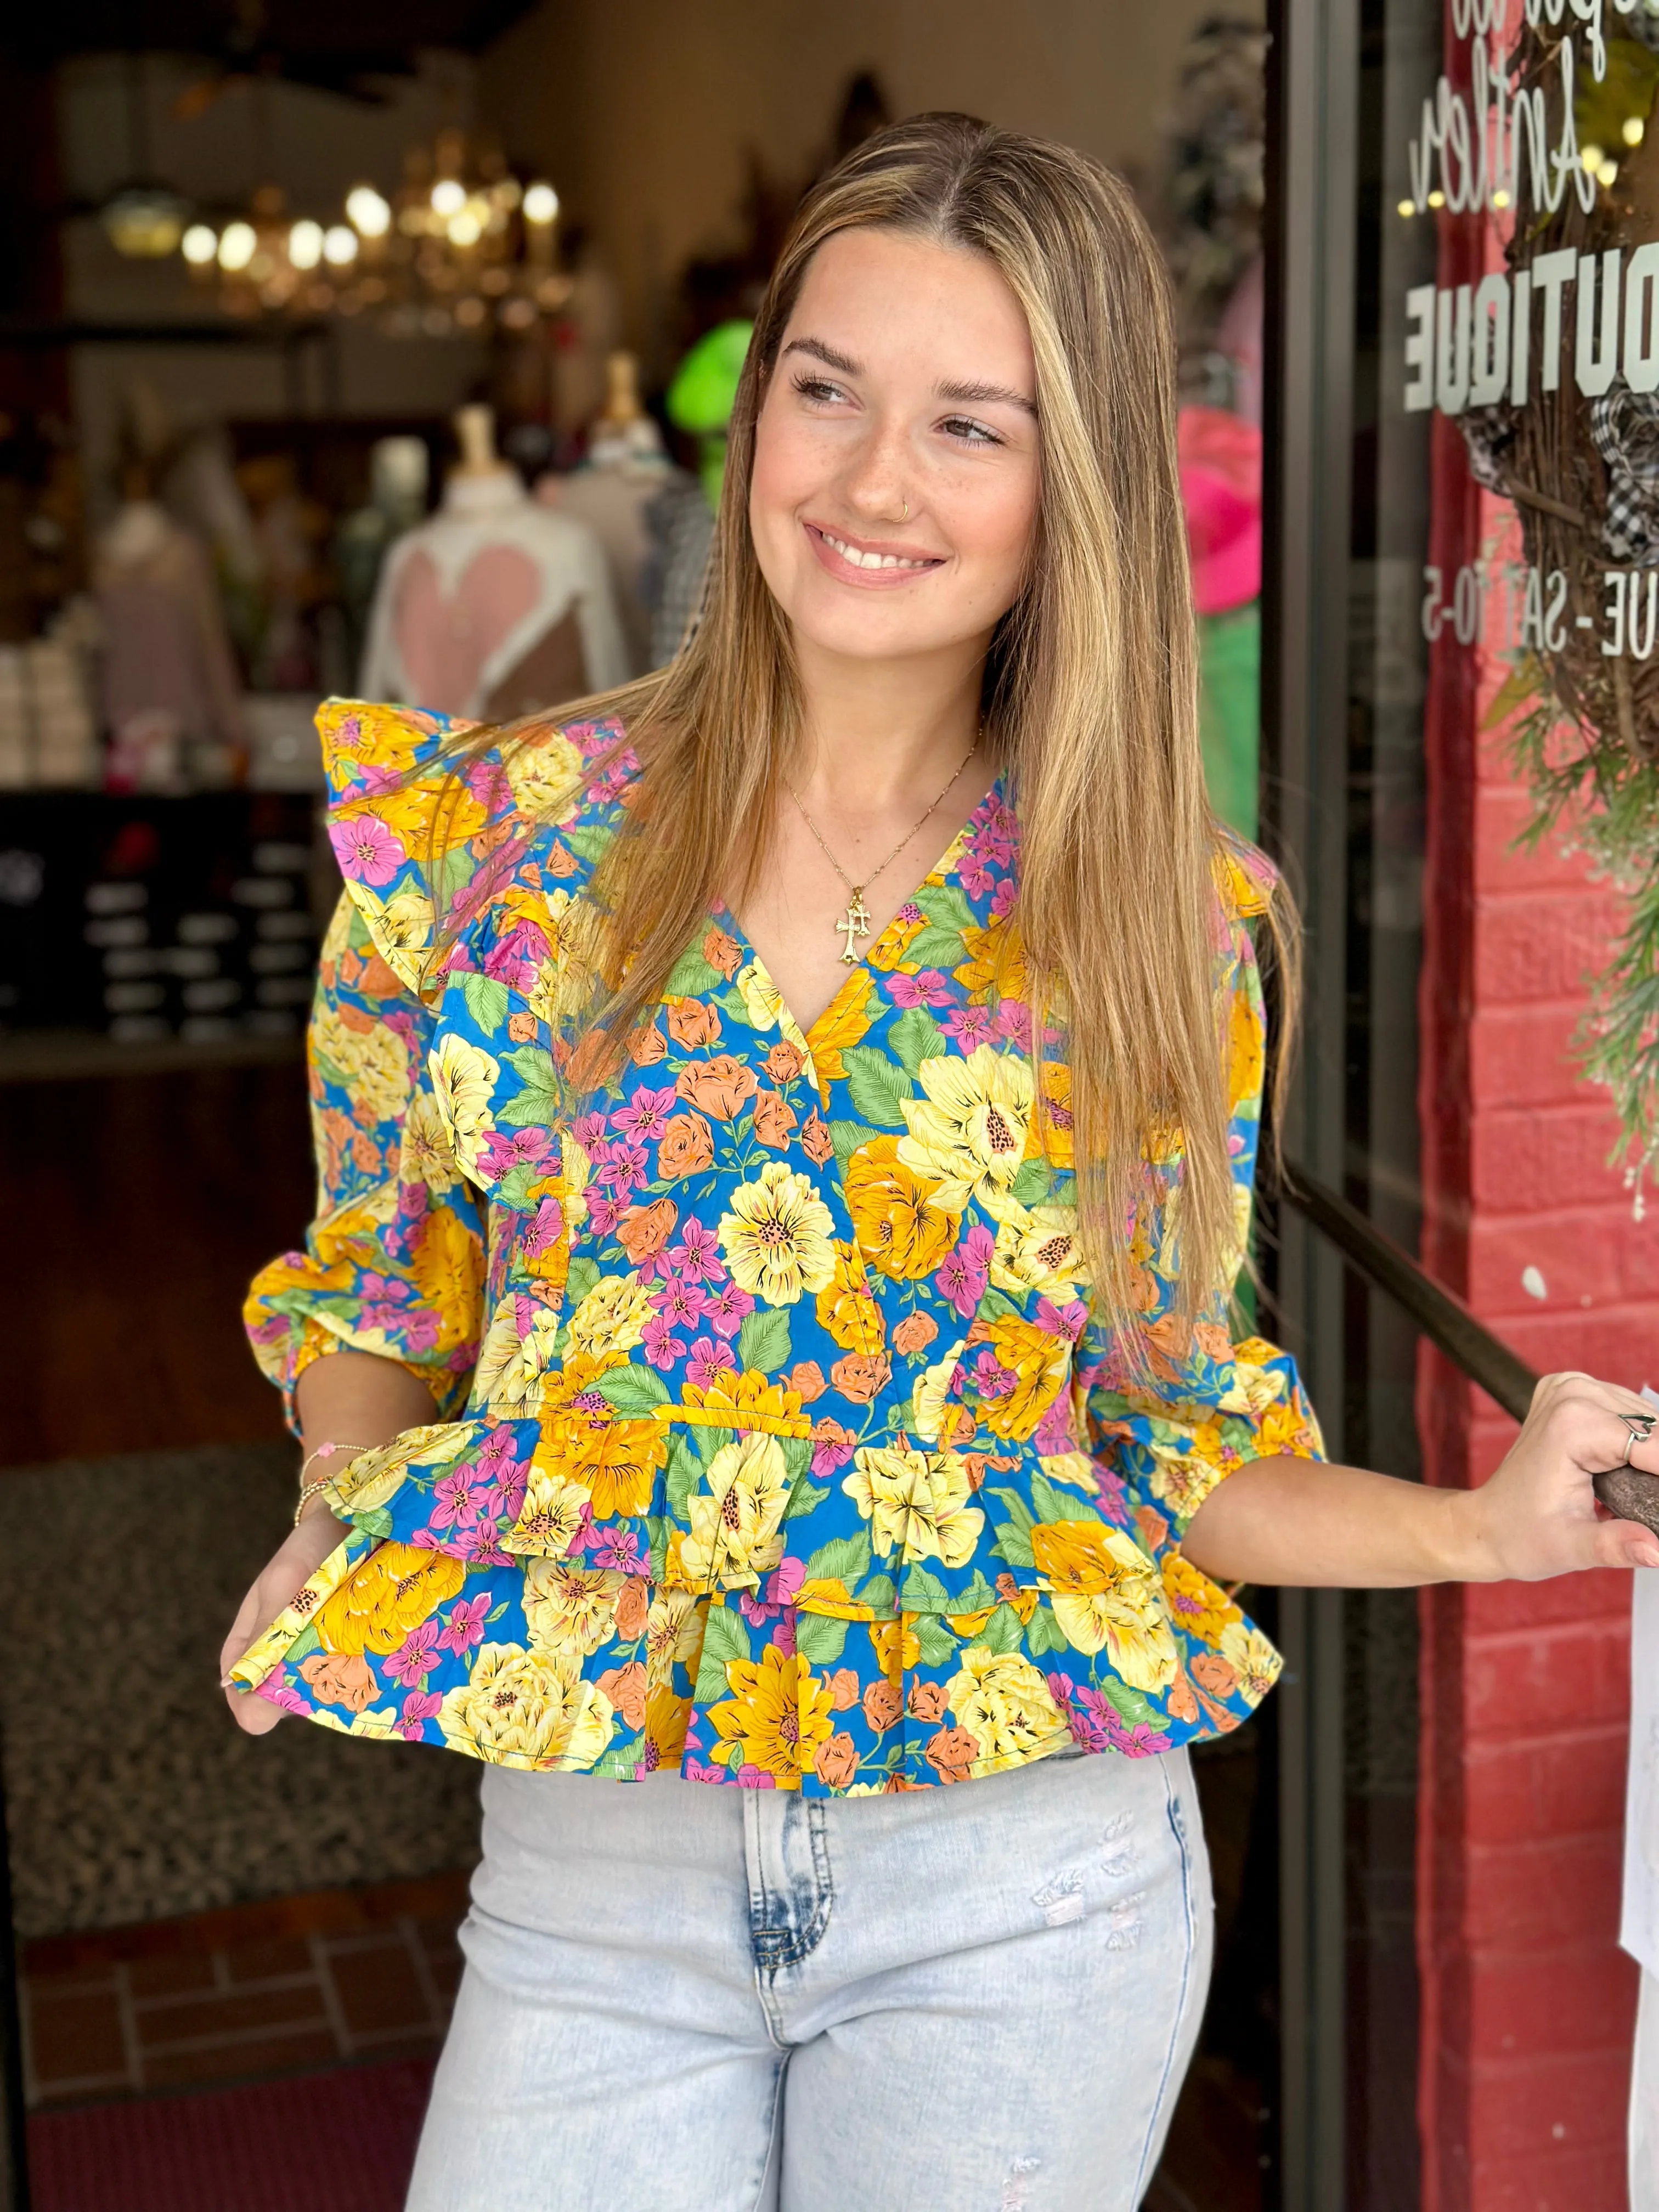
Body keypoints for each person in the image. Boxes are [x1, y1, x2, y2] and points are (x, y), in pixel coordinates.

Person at [221, 112, 1659, 2212]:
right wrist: (351, 1505)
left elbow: (1168, 1443)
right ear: (756, 420)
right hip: (597, 1877)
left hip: (1028, 1896)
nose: (874, 481)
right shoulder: (497, 842)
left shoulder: (1164, 922)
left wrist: (1488, 1529)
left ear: (1068, 490)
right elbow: (375, 1280)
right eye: (827, 390)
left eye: (969, 425)